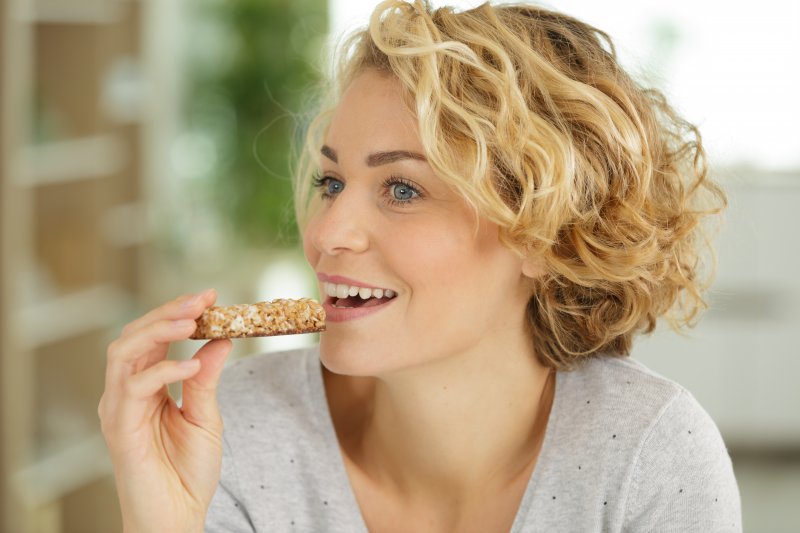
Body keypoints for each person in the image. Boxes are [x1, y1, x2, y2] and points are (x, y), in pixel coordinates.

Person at [98, 1, 742, 531]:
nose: (327, 234)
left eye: (403, 189)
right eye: (330, 183)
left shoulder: (647, 459)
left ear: (545, 235)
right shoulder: (237, 432)